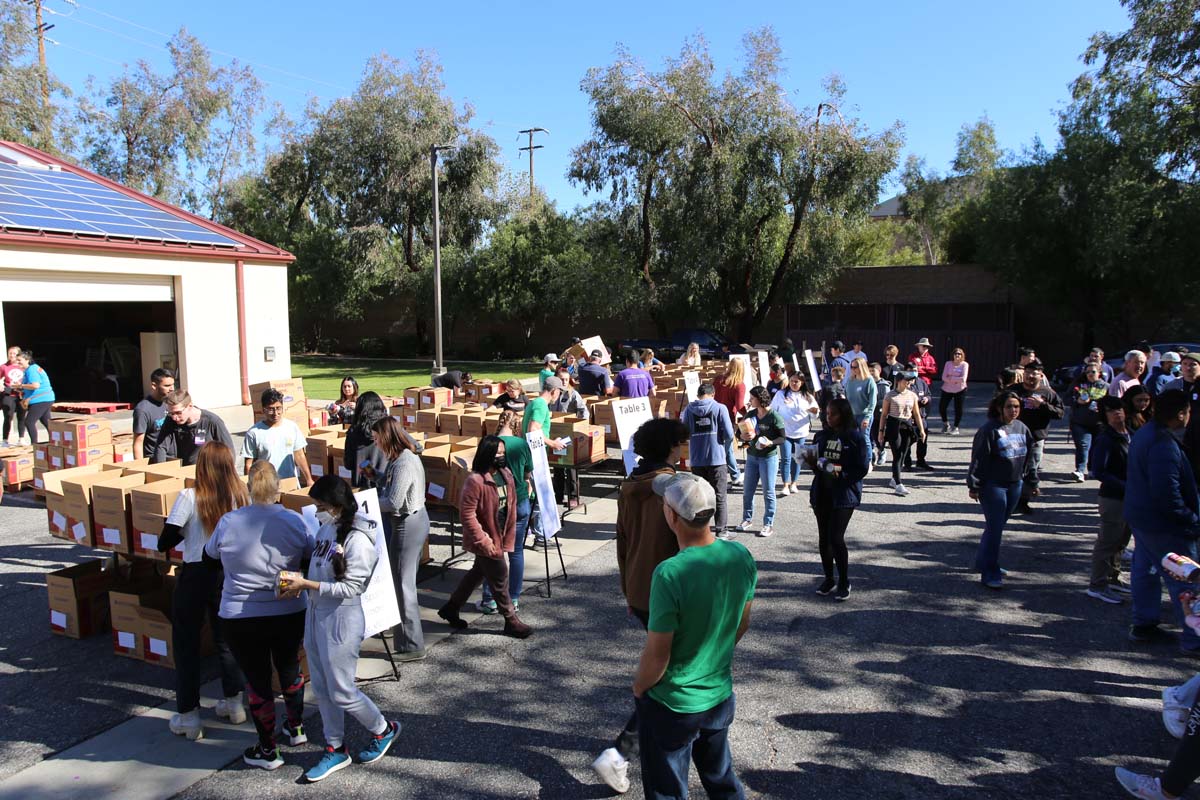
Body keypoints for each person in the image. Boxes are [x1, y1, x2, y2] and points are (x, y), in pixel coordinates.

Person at [632, 472, 756, 800]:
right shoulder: (740, 556)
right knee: (721, 778)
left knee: (668, 788)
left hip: (674, 704)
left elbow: (659, 655)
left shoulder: (670, 573)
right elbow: (742, 624)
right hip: (718, 695)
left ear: (672, 515)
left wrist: (639, 687)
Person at [279, 476, 400, 783]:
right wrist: (302, 581)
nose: (317, 511)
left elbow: (351, 587)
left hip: (341, 621)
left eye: (320, 506)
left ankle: (383, 729)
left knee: (342, 690)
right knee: (321, 687)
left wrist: (306, 584)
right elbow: (321, 566)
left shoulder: (358, 540)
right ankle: (335, 747)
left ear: (335, 506)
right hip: (317, 615)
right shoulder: (325, 529)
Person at [593, 418, 690, 792]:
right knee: (668, 673)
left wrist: (628, 590)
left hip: (639, 588)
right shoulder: (674, 488)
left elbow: (622, 542)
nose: (683, 450)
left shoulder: (629, 485)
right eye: (679, 444)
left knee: (670, 669)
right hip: (669, 592)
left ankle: (641, 745)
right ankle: (622, 752)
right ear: (669, 447)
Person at [203, 462, 313, 770]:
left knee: (257, 679)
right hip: (288, 607)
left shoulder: (229, 521)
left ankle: (268, 748)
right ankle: (296, 727)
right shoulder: (293, 520)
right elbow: (311, 554)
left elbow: (210, 556)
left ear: (248, 488)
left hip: (241, 613)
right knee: (290, 667)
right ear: (279, 489)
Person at [158, 442, 247, 741]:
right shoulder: (240, 494)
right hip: (228, 572)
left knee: (186, 643)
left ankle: (189, 714)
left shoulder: (190, 496)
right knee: (227, 641)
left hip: (196, 572)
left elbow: (164, 540)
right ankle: (234, 702)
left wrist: (183, 530)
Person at [1124, 390, 1200, 653]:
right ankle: (1195, 639)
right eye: (1188, 411)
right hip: (1164, 526)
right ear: (1180, 414)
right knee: (1186, 579)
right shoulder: (1162, 444)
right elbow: (1168, 496)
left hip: (1143, 519)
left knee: (1144, 571)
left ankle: (1144, 624)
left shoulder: (1147, 433)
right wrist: (1192, 521)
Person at [437, 436, 533, 638]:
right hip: (486, 540)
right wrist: (484, 541)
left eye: (503, 452)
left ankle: (451, 608)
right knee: (500, 577)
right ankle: (511, 620)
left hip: (501, 533)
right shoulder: (475, 480)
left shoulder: (505, 474)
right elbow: (468, 515)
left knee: (476, 574)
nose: (501, 456)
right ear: (487, 454)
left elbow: (511, 503)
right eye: (497, 453)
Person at [371, 416, 428, 660]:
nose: (376, 445)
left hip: (408, 524)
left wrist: (366, 502)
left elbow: (394, 501)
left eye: (376, 439)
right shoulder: (401, 458)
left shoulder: (404, 462)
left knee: (402, 585)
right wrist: (375, 477)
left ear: (386, 438)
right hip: (412, 521)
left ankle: (411, 645)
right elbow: (394, 489)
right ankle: (403, 636)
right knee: (403, 582)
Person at [968, 391, 1036, 589]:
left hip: (1015, 484)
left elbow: (1029, 457)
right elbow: (979, 459)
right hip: (993, 486)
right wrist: (974, 484)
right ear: (999, 408)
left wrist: (1032, 481)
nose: (1013, 410)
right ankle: (991, 572)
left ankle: (983, 561)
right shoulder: (989, 430)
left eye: (1016, 406)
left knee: (995, 527)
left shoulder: (1022, 428)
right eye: (1009, 406)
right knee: (995, 529)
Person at [804, 397, 869, 600]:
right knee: (824, 539)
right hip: (822, 492)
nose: (828, 417)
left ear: (844, 414)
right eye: (827, 413)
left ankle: (844, 580)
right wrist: (810, 460)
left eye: (833, 414)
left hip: (843, 495)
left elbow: (862, 467)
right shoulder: (821, 436)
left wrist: (840, 475)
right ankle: (829, 578)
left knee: (836, 538)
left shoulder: (854, 437)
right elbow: (816, 465)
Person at [478, 410, 534, 614]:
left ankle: (490, 598)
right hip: (520, 500)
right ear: (517, 424)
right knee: (517, 551)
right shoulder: (521, 444)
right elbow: (528, 472)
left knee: (494, 550)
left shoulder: (490, 443)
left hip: (498, 501)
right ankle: (515, 598)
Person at [1085, 396, 1132, 604]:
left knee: (1121, 541)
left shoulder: (1130, 433)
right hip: (1113, 498)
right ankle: (1097, 584)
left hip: (1131, 497)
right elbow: (1098, 471)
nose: (1117, 414)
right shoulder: (1106, 438)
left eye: (1119, 409)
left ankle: (1113, 577)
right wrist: (1124, 485)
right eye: (1111, 411)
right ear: (1105, 416)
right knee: (1107, 542)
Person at [683, 382, 735, 537]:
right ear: (713, 394)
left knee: (699, 497)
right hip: (717, 458)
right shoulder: (719, 408)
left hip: (697, 459)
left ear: (698, 395)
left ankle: (701, 531)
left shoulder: (688, 409)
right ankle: (721, 531)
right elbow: (729, 434)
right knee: (720, 495)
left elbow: (684, 432)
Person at [1012, 362, 1064, 515]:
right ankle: (1011, 500)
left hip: (1036, 438)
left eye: (1034, 373)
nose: (1030, 376)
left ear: (1041, 375)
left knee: (1031, 470)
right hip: (1014, 436)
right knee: (1014, 469)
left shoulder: (1048, 393)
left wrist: (1042, 405)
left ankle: (1023, 502)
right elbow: (998, 406)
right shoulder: (1014, 390)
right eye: (1028, 373)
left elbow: (1060, 413)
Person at [733, 386, 785, 538]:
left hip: (769, 458)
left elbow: (782, 438)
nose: (749, 400)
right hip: (752, 456)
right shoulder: (751, 414)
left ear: (760, 399)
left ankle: (768, 523)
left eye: (752, 398)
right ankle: (747, 519)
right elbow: (738, 432)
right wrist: (743, 437)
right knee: (748, 491)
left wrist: (770, 442)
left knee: (768, 492)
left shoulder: (774, 416)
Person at [242, 388, 312, 485]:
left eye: (278, 408)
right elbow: (248, 464)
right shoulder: (254, 433)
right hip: (266, 487)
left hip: (290, 483)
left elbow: (299, 455)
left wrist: (309, 479)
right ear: (263, 410)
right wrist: (250, 486)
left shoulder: (292, 427)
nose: (275, 413)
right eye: (271, 409)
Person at [153, 390, 234, 466]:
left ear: (190, 406)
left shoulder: (212, 421)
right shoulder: (171, 420)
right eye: (171, 413)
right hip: (184, 470)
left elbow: (229, 451)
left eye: (178, 413)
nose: (174, 418)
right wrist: (161, 469)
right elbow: (161, 446)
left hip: (208, 471)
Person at [770, 371, 819, 497]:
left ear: (802, 382)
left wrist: (814, 412)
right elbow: (773, 410)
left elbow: (815, 414)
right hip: (784, 431)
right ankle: (785, 484)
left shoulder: (808, 396)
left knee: (798, 459)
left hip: (801, 431)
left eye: (796, 381)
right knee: (785, 458)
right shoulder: (781, 394)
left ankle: (794, 483)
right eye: (791, 380)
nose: (793, 383)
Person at [878, 372, 925, 497]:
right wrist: (881, 432)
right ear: (898, 381)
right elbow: (884, 415)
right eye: (906, 380)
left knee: (903, 453)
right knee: (897, 454)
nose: (908, 383)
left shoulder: (912, 395)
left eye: (909, 381)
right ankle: (898, 484)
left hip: (907, 425)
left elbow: (916, 414)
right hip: (894, 425)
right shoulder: (890, 395)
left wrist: (921, 429)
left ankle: (894, 478)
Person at [550, 368, 586, 509]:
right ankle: (558, 495)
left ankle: (573, 497)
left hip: (570, 434)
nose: (564, 382)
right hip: (555, 433)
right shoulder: (552, 394)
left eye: (566, 379)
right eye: (562, 379)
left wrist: (580, 425)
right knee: (557, 466)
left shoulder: (573, 394)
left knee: (571, 467)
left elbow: (583, 411)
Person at [1069, 364, 1110, 482]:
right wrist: (1077, 401)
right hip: (1080, 422)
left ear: (1099, 373)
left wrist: (1102, 407)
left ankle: (1092, 470)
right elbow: (1067, 398)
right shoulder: (1079, 385)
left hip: (1099, 423)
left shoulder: (1106, 386)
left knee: (1096, 448)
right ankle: (1080, 471)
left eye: (1093, 372)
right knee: (1083, 446)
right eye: (1087, 372)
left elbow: (1111, 402)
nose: (1090, 374)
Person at [1165, 352, 1200, 480]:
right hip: (1177, 435)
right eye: (1185, 364)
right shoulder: (1172, 387)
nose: (1188, 368)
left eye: (1193, 364)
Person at [344, 392, 389, 490]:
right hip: (385, 485)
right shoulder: (388, 429)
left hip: (361, 487)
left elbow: (348, 464)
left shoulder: (353, 432)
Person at [714, 358, 748, 486]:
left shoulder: (718, 379)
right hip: (727, 418)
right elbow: (739, 406)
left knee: (724, 448)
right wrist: (748, 415)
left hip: (714, 415)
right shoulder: (739, 385)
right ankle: (734, 475)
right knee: (727, 449)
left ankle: (735, 474)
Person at [132, 368, 176, 460]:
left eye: (173, 385)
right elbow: (138, 443)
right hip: (154, 460)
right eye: (167, 385)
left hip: (173, 457)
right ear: (154, 385)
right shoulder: (143, 410)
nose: (172, 389)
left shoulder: (170, 402)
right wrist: (140, 468)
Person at [13, 350, 53, 445]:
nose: (17, 363)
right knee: (46, 422)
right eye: (17, 360)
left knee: (29, 422)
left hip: (41, 399)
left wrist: (21, 386)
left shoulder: (31, 370)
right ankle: (56, 441)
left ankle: (34, 445)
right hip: (45, 398)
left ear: (27, 360)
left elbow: (35, 385)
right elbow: (30, 387)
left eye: (19, 360)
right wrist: (20, 389)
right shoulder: (31, 369)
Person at [846, 359, 878, 465]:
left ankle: (868, 460)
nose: (853, 369)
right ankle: (855, 459)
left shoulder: (869, 381)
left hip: (864, 414)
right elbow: (846, 397)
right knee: (851, 438)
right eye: (852, 367)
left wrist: (868, 417)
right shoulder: (850, 381)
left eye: (855, 367)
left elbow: (872, 402)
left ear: (861, 367)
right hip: (851, 415)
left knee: (864, 438)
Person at [904, 364, 935, 471]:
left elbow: (929, 395)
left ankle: (921, 461)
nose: (913, 372)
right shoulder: (903, 382)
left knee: (923, 439)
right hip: (908, 417)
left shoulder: (921, 382)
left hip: (921, 416)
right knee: (907, 441)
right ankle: (907, 463)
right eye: (911, 370)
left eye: (915, 370)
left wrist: (926, 399)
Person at [939, 348, 970, 434]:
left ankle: (956, 427)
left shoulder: (965, 365)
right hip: (947, 389)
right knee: (942, 407)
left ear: (962, 355)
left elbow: (963, 379)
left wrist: (951, 378)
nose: (957, 355)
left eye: (959, 354)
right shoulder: (948, 363)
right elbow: (943, 377)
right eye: (956, 353)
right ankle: (946, 424)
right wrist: (955, 379)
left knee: (958, 409)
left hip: (960, 389)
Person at [1, 345, 26, 446]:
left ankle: (21, 439)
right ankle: (5, 440)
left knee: (21, 417)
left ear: (18, 355)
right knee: (8, 416)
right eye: (10, 353)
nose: (11, 355)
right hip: (8, 394)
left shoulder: (23, 367)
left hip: (21, 394)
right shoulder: (4, 367)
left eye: (14, 354)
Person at [868, 362, 891, 467]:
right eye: (869, 371)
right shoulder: (866, 382)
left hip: (879, 413)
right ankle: (871, 454)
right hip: (868, 413)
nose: (871, 373)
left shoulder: (884, 385)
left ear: (879, 371)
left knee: (878, 436)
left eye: (873, 371)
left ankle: (881, 451)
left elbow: (885, 400)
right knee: (869, 435)